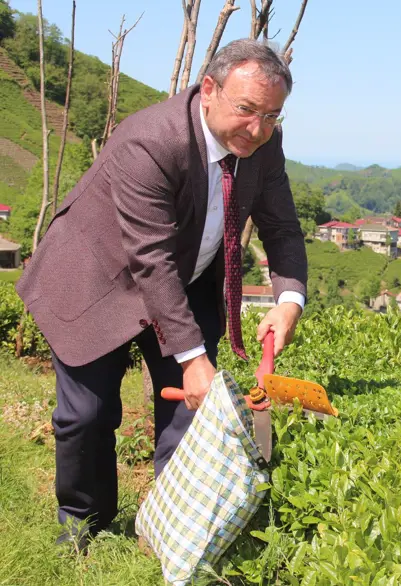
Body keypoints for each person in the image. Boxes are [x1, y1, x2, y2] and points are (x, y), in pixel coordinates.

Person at [15, 39, 307, 551]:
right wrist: (192, 356)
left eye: (271, 115)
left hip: (185, 277)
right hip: (98, 278)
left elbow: (282, 227)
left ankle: (175, 529)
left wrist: (288, 301)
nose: (258, 129)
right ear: (210, 90)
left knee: (191, 411)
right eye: (246, 110)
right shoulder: (150, 139)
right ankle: (84, 526)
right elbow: (150, 258)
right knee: (86, 414)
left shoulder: (265, 144)